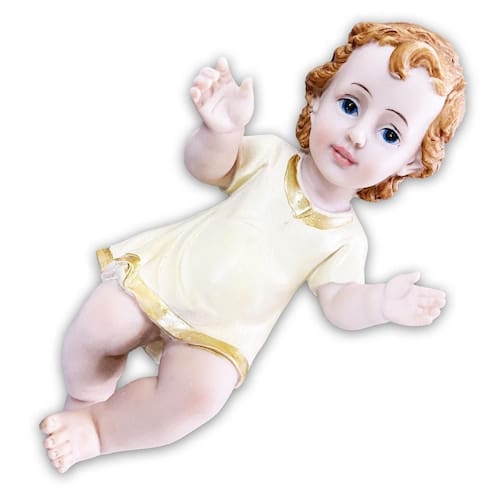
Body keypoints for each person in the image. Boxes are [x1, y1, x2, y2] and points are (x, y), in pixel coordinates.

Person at [40, 21, 465, 473]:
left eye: (390, 134)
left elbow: (339, 302)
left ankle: (100, 430)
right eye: (349, 105)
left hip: (224, 333)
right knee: (98, 324)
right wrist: (222, 132)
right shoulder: (270, 157)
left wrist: (380, 303)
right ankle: (85, 398)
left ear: (410, 163)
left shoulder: (344, 238)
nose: (357, 135)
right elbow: (208, 168)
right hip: (168, 274)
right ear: (318, 97)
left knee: (197, 397)